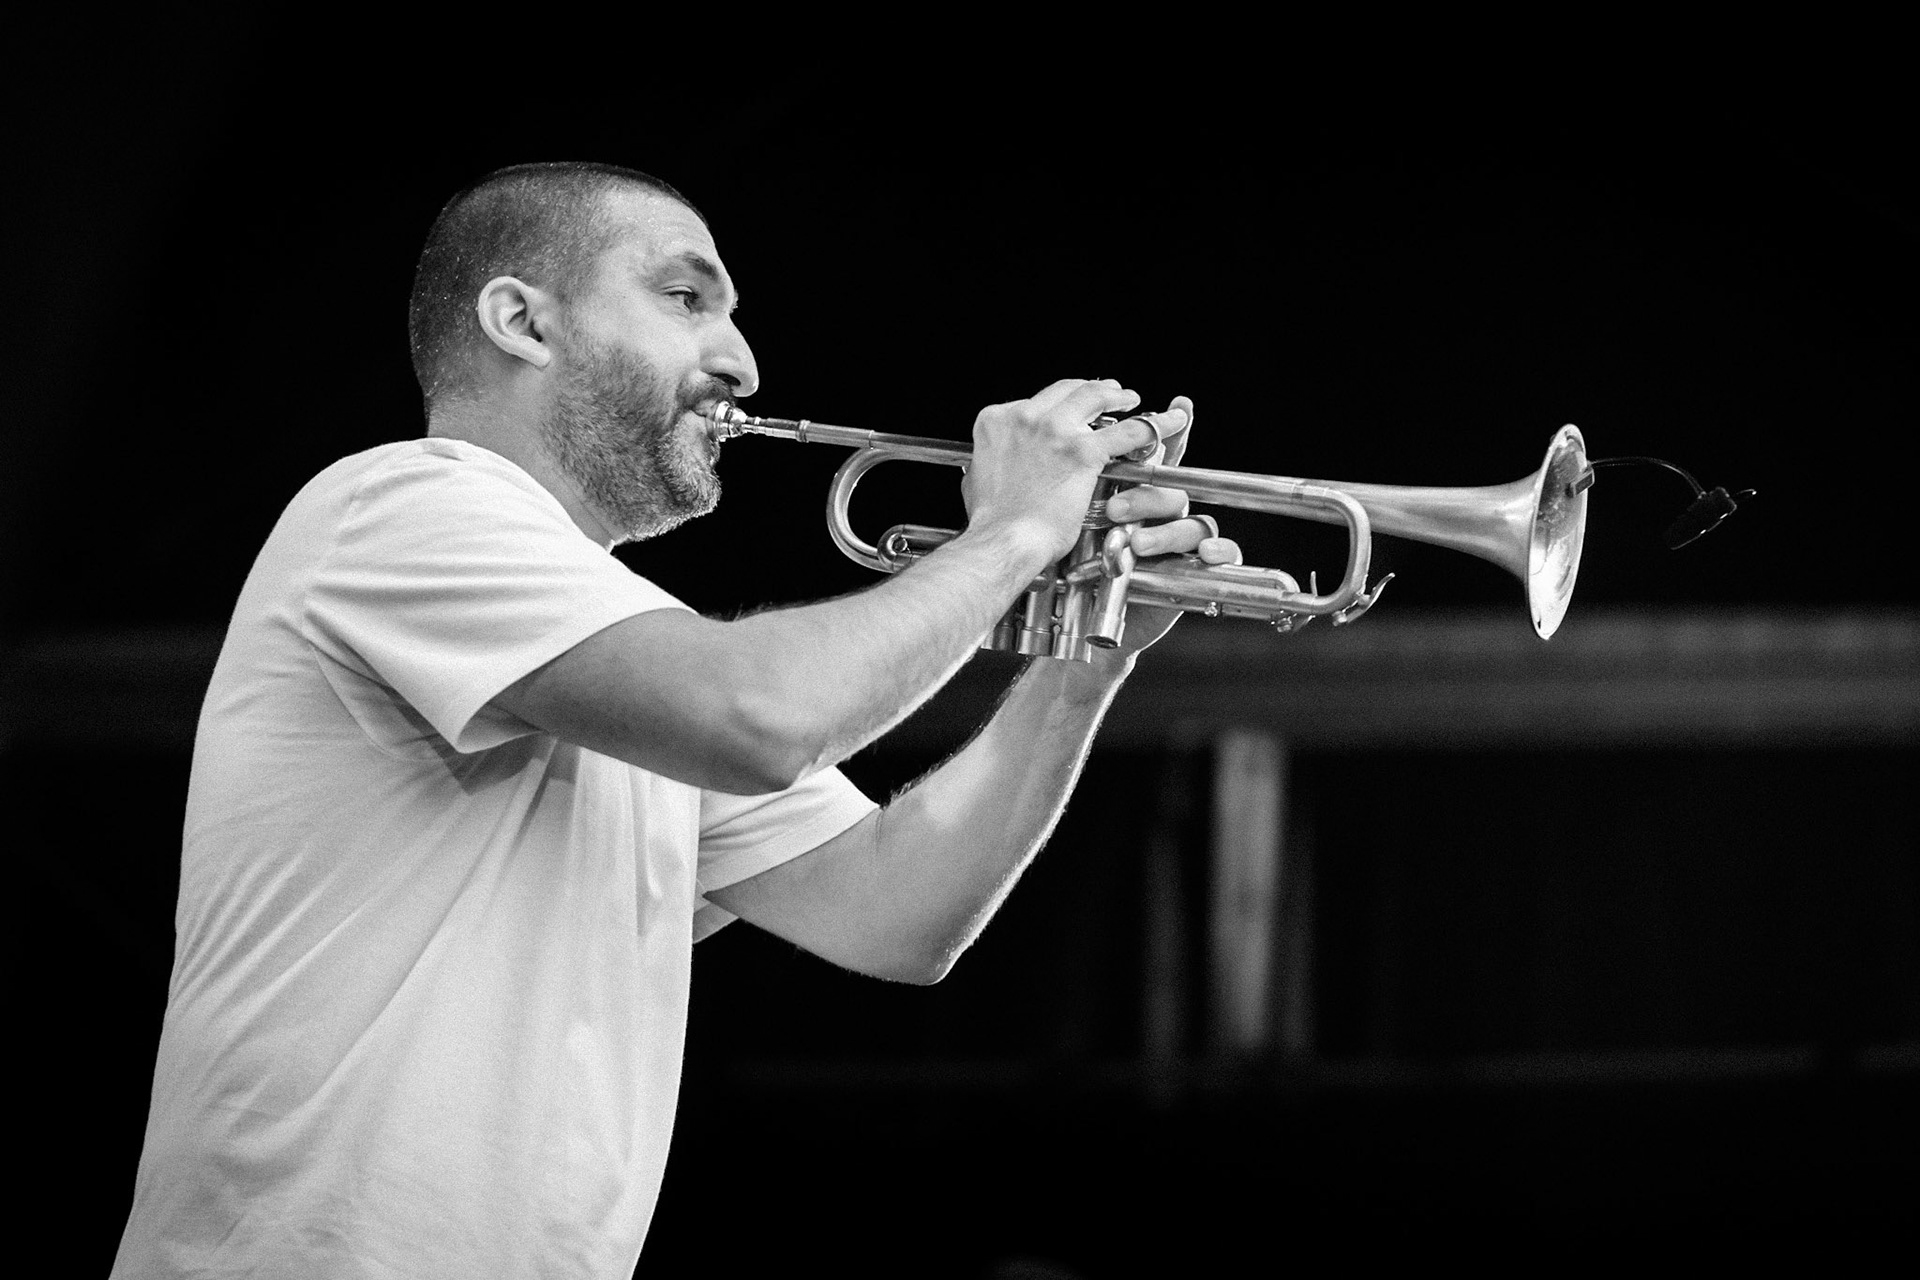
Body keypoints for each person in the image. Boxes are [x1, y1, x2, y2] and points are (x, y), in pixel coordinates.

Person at [110, 161, 1240, 1278]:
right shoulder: (401, 504)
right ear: (523, 322)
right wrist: (1014, 535)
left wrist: (1084, 661)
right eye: (686, 298)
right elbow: (763, 717)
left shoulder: (624, 645)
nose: (741, 359)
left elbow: (897, 912)